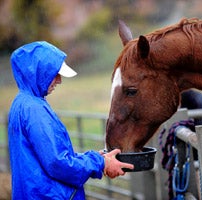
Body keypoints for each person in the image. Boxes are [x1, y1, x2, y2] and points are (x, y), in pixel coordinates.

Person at [8, 41, 134, 199]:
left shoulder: (22, 103)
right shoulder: (34, 110)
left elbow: (50, 155)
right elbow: (57, 163)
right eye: (55, 74)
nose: (59, 80)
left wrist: (95, 157)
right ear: (39, 72)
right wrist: (101, 163)